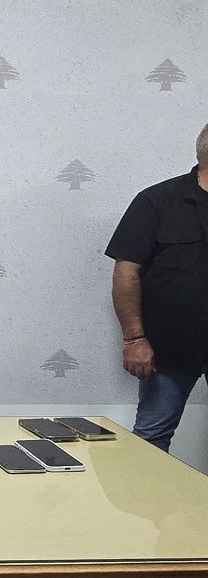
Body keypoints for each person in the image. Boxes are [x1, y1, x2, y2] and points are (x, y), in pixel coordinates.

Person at [105, 123, 208, 452]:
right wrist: (134, 339)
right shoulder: (157, 200)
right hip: (169, 348)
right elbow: (126, 272)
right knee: (151, 438)